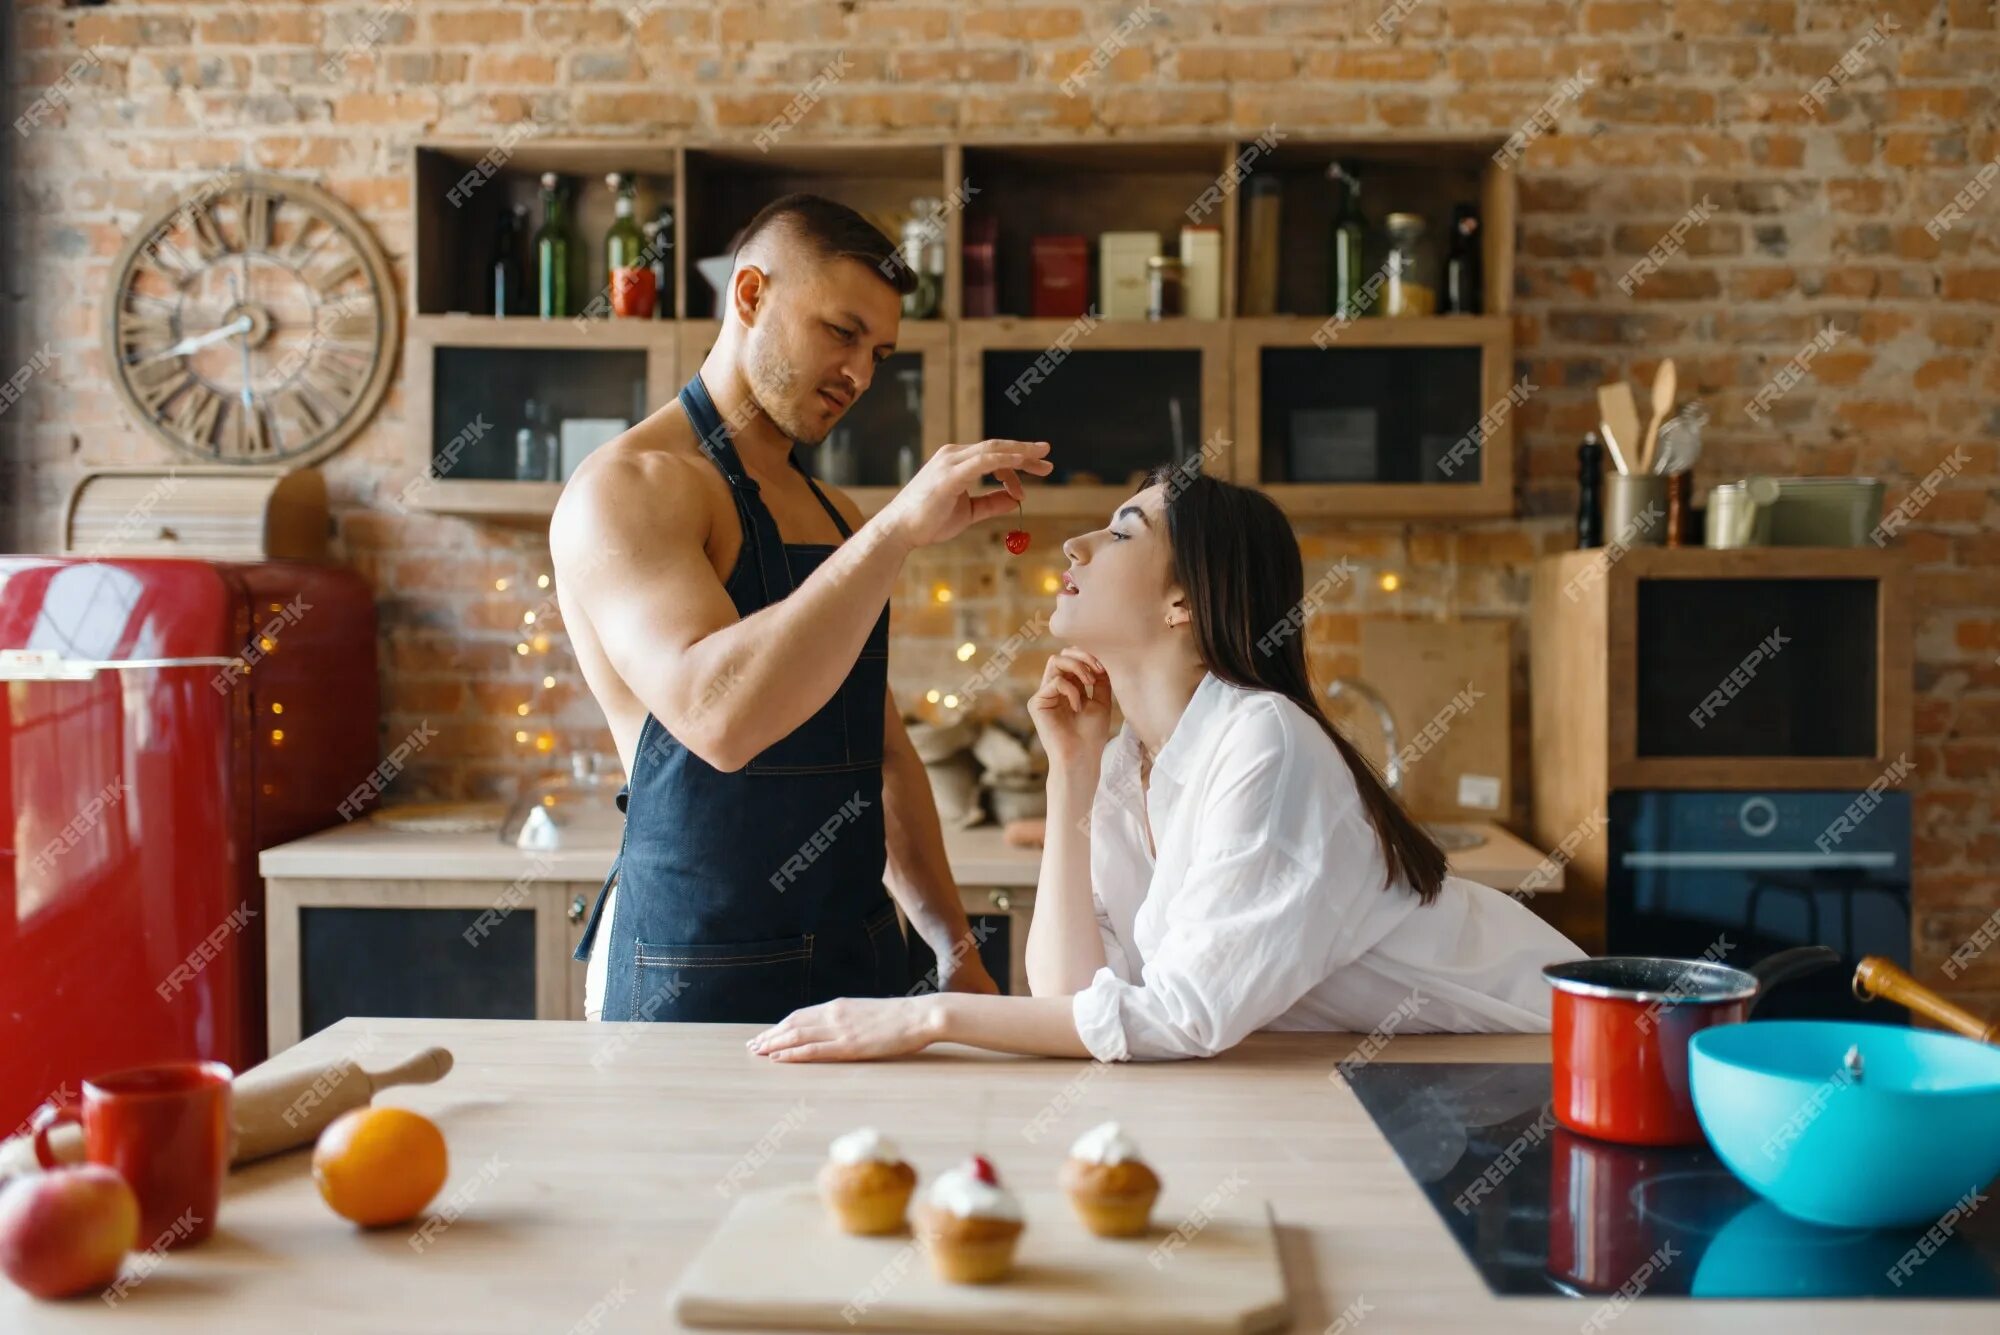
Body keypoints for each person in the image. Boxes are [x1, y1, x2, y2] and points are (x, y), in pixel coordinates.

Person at [747, 465, 1582, 1062]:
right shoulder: (1125, 762)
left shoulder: (1266, 740)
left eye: (1119, 532)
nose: (1075, 545)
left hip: (1545, 1048)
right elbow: (1069, 997)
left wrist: (927, 1018)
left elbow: (1184, 1018)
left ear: (1185, 600)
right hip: (1420, 1069)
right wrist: (1069, 773)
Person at [553, 193, 1053, 1022]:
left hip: (860, 961)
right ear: (750, 295)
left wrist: (954, 951)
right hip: (690, 965)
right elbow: (717, 718)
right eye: (842, 332)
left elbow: (882, 754)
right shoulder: (630, 487)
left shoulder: (834, 515)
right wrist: (894, 532)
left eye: (880, 352)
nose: (860, 374)